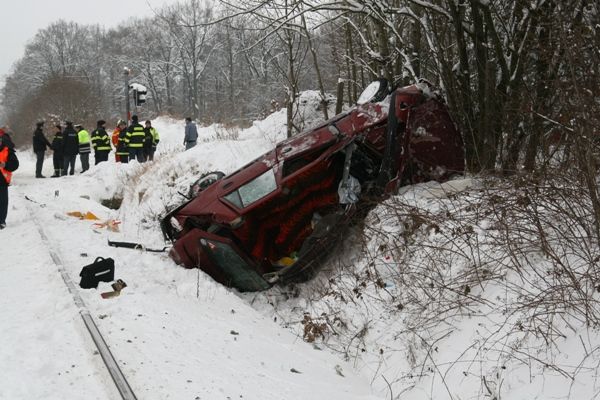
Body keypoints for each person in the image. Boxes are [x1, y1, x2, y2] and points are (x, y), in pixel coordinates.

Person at [0, 132, 19, 229]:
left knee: (2, 202)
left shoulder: (8, 150)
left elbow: (15, 164)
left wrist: (5, 165)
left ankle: (1, 221)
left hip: (2, 181)